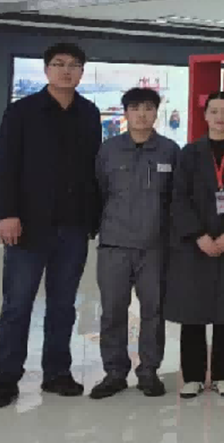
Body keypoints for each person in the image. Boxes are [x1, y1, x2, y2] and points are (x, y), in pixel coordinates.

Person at [0, 43, 102, 409]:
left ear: (82, 72)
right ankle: (7, 378)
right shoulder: (22, 112)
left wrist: (94, 218)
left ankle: (57, 373)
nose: (66, 70)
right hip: (28, 225)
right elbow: (5, 165)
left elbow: (93, 170)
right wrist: (7, 213)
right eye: (59, 64)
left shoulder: (89, 113)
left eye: (74, 65)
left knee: (63, 304)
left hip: (73, 226)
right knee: (18, 304)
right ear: (46, 69)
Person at [164, 91, 224, 399]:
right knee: (192, 312)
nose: (220, 117)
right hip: (195, 245)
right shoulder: (189, 153)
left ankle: (222, 375)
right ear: (205, 115)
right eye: (214, 111)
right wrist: (199, 235)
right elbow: (178, 197)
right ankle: (193, 376)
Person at [90, 88, 180, 400]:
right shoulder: (109, 150)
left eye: (148, 108)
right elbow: (99, 192)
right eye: (135, 108)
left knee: (153, 311)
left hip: (155, 247)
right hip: (114, 245)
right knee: (113, 311)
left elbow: (176, 200)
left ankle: (149, 372)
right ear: (125, 113)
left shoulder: (170, 151)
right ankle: (114, 373)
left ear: (156, 112)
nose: (142, 114)